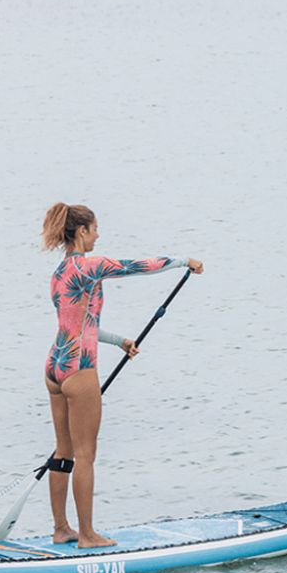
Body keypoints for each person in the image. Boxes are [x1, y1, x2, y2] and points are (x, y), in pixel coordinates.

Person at [42, 202, 203, 548]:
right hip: (79, 370)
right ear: (81, 231)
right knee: (85, 454)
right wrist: (182, 261)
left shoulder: (58, 274)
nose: (98, 235)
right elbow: (135, 267)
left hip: (55, 366)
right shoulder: (90, 267)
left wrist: (119, 342)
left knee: (64, 450)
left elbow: (77, 325)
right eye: (95, 229)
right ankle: (86, 535)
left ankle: (61, 529)